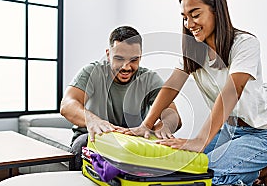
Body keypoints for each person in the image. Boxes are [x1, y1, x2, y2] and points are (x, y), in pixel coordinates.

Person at [127, 0, 267, 186]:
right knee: (178, 164)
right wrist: (145, 126)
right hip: (227, 132)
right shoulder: (194, 52)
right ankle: (261, 170)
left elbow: (232, 92)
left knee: (200, 173)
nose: (189, 24)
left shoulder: (245, 44)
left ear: (216, 11)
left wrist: (200, 140)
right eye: (185, 17)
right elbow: (170, 87)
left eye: (195, 14)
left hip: (264, 135)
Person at [60, 26, 181, 170]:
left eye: (133, 60)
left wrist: (159, 128)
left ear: (140, 57)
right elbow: (67, 105)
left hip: (132, 141)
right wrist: (92, 120)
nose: (126, 67)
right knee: (81, 145)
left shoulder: (149, 79)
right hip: (93, 138)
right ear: (108, 54)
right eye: (119, 59)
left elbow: (173, 115)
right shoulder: (93, 72)